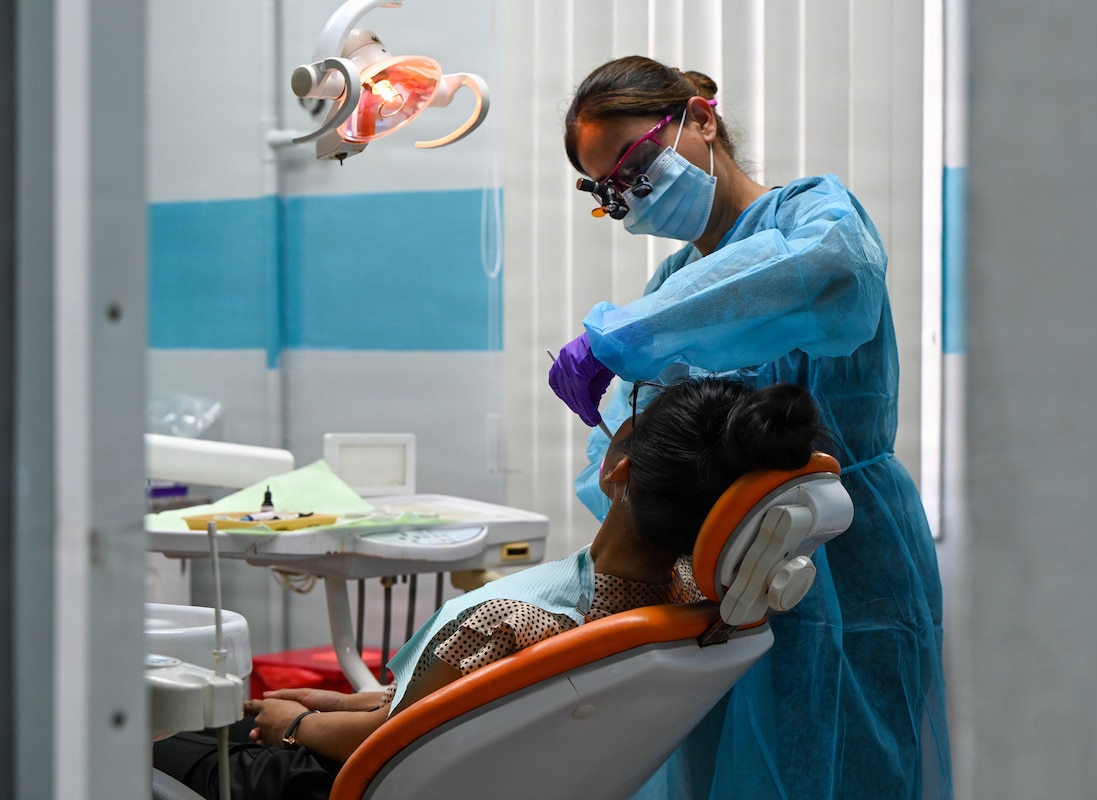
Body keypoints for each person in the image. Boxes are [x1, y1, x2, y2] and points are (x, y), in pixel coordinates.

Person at [548, 55, 952, 799]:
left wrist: (622, 339)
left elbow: (827, 274)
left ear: (701, 118)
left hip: (848, 551)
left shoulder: (812, 216)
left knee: (852, 765)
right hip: (721, 570)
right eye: (608, 189)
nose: (630, 195)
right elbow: (627, 459)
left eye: (636, 165)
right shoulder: (670, 289)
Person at [153, 377, 825, 800]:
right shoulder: (685, 604)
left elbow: (397, 742)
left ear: (618, 469)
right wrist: (346, 701)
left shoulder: (506, 619)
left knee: (145, 732)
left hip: (335, 779)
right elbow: (455, 706)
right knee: (233, 713)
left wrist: (296, 723)